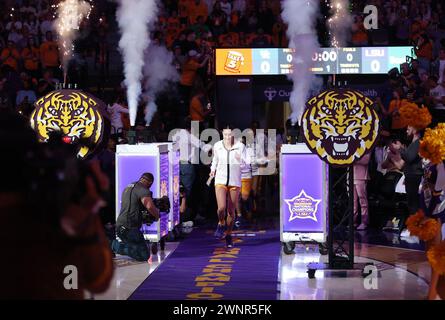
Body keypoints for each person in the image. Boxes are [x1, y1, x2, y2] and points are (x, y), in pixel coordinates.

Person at [210, 125, 246, 248]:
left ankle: (229, 234)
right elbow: (215, 160)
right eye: (225, 135)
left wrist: (240, 160)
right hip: (220, 180)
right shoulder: (218, 146)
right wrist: (212, 170)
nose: (227, 137)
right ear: (222, 134)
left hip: (234, 182)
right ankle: (221, 223)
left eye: (229, 135)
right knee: (221, 208)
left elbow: (246, 164)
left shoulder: (240, 146)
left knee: (231, 211)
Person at [112, 173, 160, 261]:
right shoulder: (143, 190)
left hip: (121, 226)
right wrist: (157, 215)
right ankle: (114, 246)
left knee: (138, 247)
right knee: (144, 255)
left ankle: (119, 245)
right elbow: (149, 206)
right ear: (150, 182)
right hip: (129, 228)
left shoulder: (129, 187)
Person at [401, 125, 424, 214]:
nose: (406, 131)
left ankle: (416, 225)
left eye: (408, 129)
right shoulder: (413, 143)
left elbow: (409, 158)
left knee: (413, 202)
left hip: (414, 175)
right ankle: (414, 224)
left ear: (415, 130)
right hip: (411, 174)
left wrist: (400, 150)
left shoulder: (417, 143)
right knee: (411, 201)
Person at [353, 153, 371, 230]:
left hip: (361, 176)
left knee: (362, 200)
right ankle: (353, 221)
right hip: (351, 175)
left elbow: (366, 160)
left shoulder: (366, 146)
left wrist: (353, 158)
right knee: (353, 201)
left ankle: (364, 222)